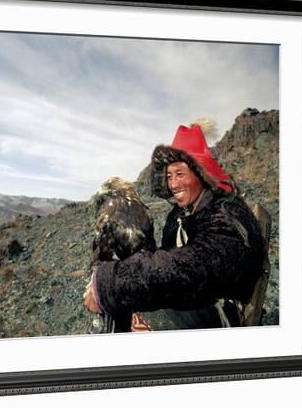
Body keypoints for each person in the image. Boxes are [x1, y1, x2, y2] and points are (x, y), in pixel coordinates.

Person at [84, 123, 266, 329]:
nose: (173, 184)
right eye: (169, 176)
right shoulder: (182, 213)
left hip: (219, 313)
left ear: (201, 173)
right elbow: (167, 262)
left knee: (140, 307)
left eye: (180, 174)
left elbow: (189, 269)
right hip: (194, 300)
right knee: (128, 304)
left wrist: (110, 284)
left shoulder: (226, 216)